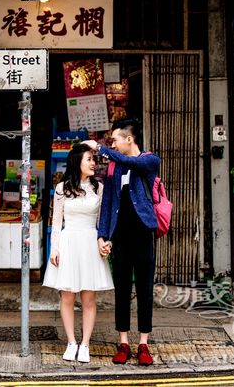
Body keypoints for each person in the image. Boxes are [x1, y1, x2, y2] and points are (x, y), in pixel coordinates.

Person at [84, 119, 160, 366]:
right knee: (123, 290)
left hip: (143, 234)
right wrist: (102, 236)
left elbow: (132, 162)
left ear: (130, 139)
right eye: (110, 142)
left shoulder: (148, 161)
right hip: (121, 237)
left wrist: (99, 147)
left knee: (145, 290)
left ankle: (144, 343)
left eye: (115, 140)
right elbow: (108, 204)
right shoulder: (114, 169)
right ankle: (124, 342)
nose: (113, 144)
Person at [42, 143, 114, 363]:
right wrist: (54, 248)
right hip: (68, 241)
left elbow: (103, 221)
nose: (93, 163)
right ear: (77, 162)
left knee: (89, 298)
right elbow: (55, 222)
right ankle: (71, 342)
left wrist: (105, 242)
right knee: (67, 296)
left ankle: (85, 344)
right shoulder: (62, 188)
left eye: (94, 159)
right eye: (89, 159)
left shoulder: (99, 188)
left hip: (90, 242)